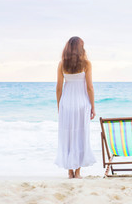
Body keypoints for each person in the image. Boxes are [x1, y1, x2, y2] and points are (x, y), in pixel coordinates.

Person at [55, 36, 96, 179]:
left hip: (66, 103)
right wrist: (93, 106)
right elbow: (90, 87)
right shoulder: (86, 64)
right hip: (81, 104)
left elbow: (59, 88)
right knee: (80, 136)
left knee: (68, 136)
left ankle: (69, 172)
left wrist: (59, 106)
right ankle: (77, 172)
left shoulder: (62, 64)